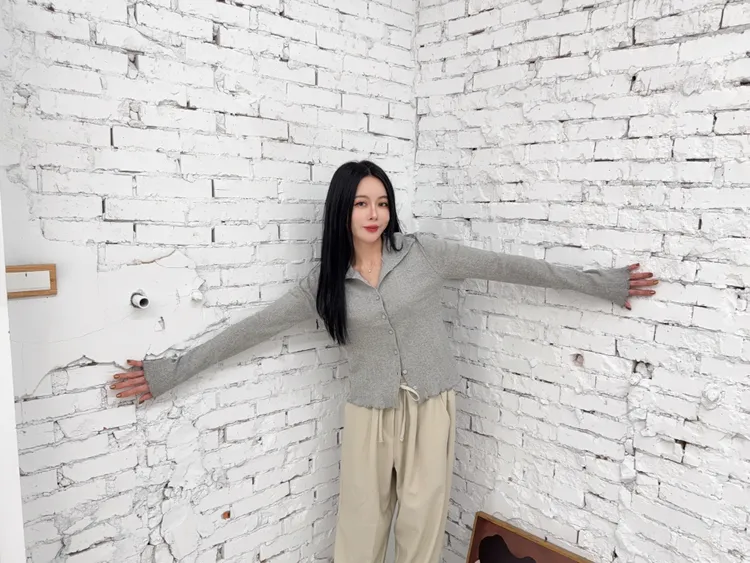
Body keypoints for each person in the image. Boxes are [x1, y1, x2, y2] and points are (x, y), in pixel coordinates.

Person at [110, 160, 658, 563]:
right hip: (369, 416)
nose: (374, 214)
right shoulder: (324, 286)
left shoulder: (425, 254)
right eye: (361, 203)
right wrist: (169, 373)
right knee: (359, 537)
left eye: (382, 202)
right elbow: (251, 330)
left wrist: (602, 284)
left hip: (432, 408)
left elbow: (511, 267)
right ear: (341, 210)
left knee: (421, 533)